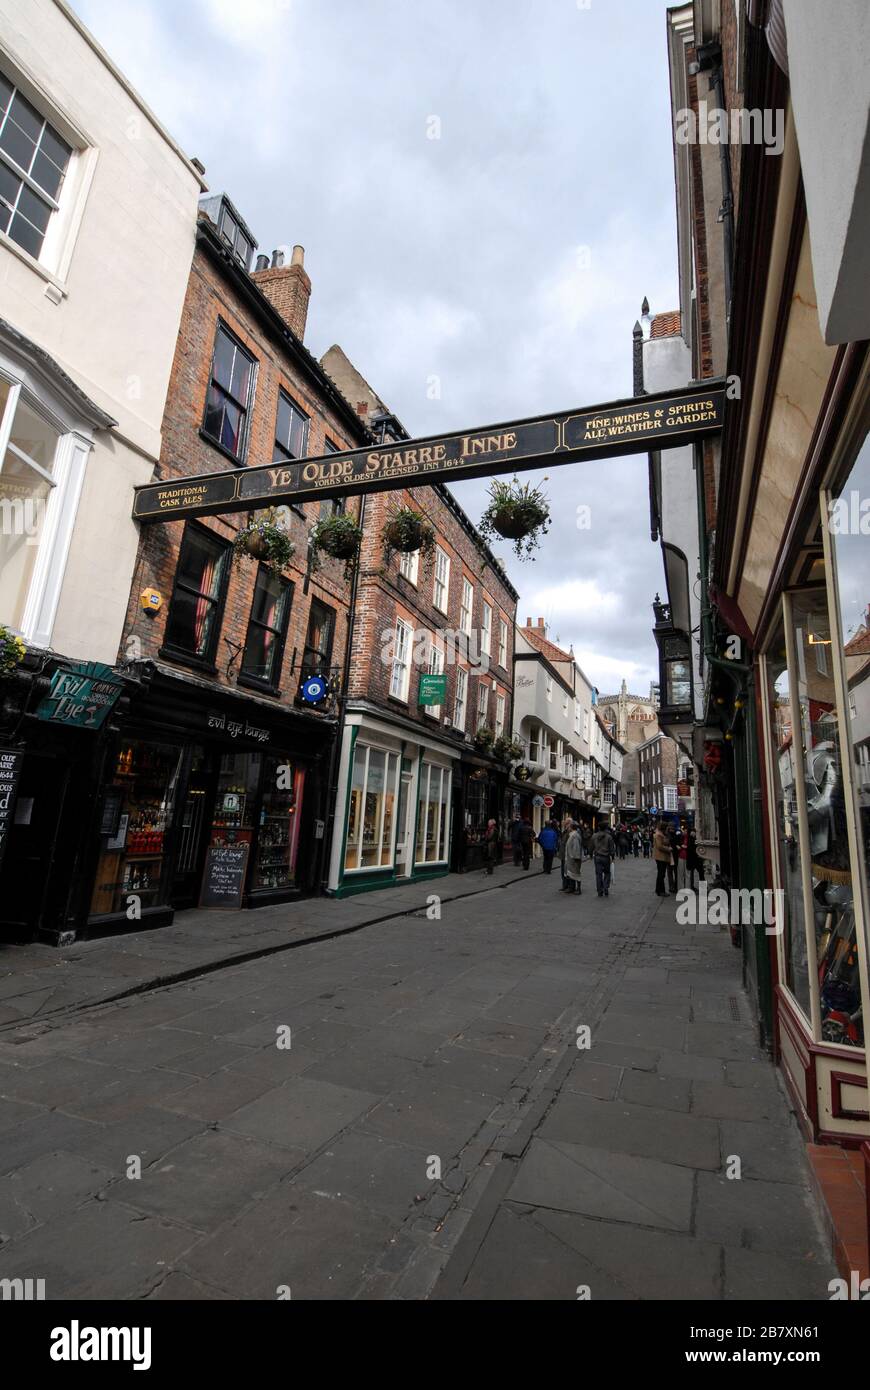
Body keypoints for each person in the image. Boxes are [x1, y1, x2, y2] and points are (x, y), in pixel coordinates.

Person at [589, 823, 617, 897]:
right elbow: (612, 849)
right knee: (607, 873)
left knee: (598, 874)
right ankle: (605, 887)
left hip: (597, 857)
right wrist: (613, 857)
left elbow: (591, 847)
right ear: (606, 828)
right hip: (606, 857)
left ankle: (599, 891)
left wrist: (590, 855)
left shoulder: (594, 836)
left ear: (598, 828)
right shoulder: (609, 837)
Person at [563, 820, 583, 894]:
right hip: (570, 858)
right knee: (570, 873)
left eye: (568, 826)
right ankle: (571, 888)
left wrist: (576, 857)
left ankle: (578, 889)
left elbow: (576, 847)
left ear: (571, 828)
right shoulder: (572, 835)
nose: (567, 828)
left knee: (576, 873)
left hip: (573, 858)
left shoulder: (575, 836)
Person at [653, 819, 673, 896]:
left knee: (661, 874)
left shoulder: (661, 834)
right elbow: (659, 846)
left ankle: (659, 890)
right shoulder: (658, 835)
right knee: (661, 874)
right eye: (667, 827)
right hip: (661, 857)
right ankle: (661, 891)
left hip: (661, 857)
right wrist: (668, 849)